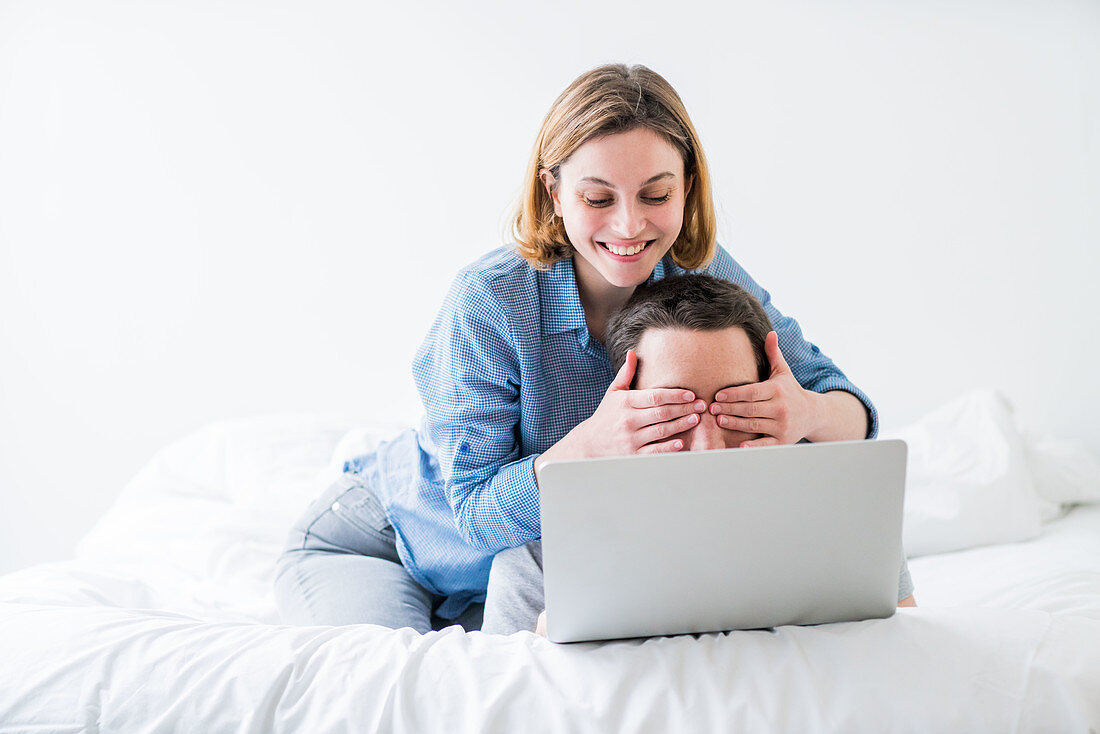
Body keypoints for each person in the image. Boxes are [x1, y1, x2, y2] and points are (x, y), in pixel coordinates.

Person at [274, 63, 883, 633]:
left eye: (656, 195)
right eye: (598, 199)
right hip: (388, 542)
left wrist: (805, 411)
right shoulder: (490, 298)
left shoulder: (705, 274)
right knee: (389, 689)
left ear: (688, 188)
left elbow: (851, 411)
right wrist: (591, 446)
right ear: (553, 191)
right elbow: (476, 516)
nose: (628, 226)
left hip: (517, 579)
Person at [480, 274, 916, 635]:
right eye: (674, 412)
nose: (707, 447)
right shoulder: (539, 564)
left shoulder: (849, 523)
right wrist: (544, 657)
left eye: (735, 407)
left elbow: (912, 657)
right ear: (624, 409)